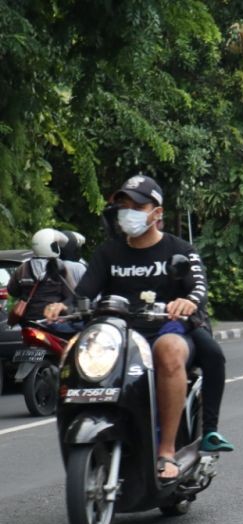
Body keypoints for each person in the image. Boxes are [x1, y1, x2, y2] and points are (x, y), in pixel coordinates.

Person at [46, 175, 233, 479]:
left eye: (137, 205)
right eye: (123, 205)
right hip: (118, 335)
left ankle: (168, 452)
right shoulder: (108, 253)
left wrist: (185, 303)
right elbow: (83, 294)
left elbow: (199, 288)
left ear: (157, 212)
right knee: (78, 352)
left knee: (170, 350)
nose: (128, 212)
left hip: (167, 329)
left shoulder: (181, 250)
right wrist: (62, 307)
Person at [7, 229, 82, 330]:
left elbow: (12, 291)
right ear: (50, 247)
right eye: (55, 245)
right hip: (52, 322)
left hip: (28, 323)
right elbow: (72, 294)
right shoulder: (59, 266)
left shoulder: (23, 268)